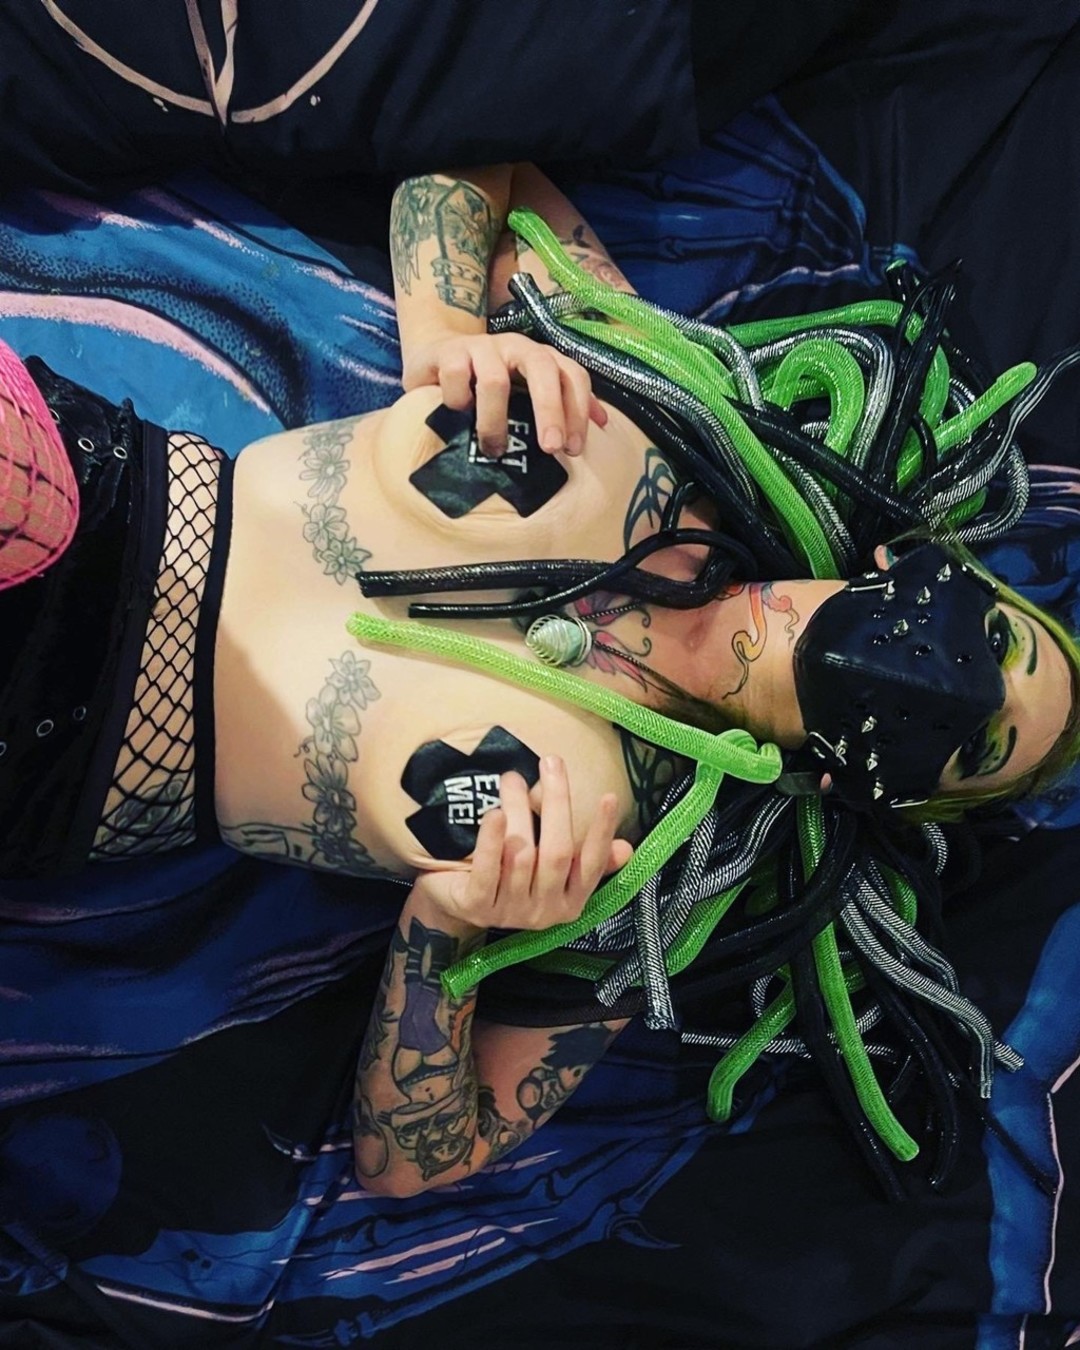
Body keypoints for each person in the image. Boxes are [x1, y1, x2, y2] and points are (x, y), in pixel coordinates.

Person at [2, 163, 1078, 1199]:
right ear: (917, 561)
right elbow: (485, 175)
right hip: (77, 486)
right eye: (1000, 641)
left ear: (880, 799)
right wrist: (448, 337)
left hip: (56, 753)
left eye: (980, 746)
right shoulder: (663, 412)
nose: (961, 687)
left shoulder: (643, 879)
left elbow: (415, 1160)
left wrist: (445, 928)